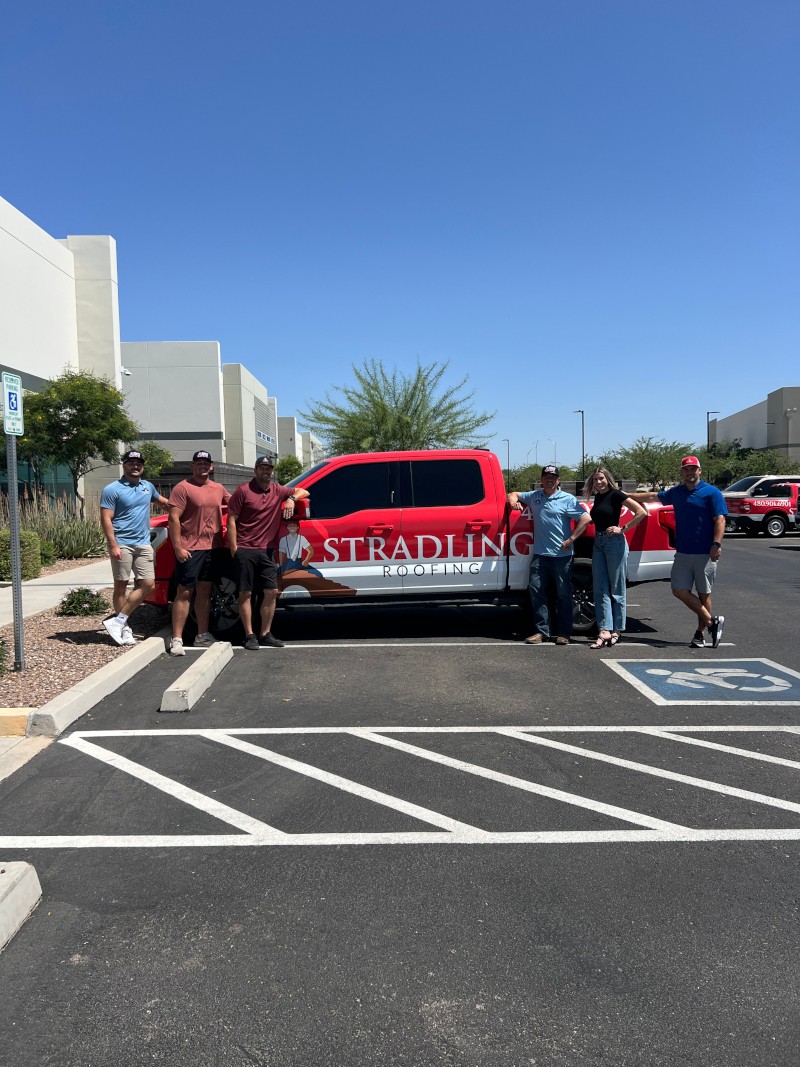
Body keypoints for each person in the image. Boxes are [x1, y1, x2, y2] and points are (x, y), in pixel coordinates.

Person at [629, 456, 727, 648]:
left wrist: (716, 544)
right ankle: (711, 622)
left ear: (700, 470)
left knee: (703, 594)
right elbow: (652, 497)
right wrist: (625, 495)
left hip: (705, 553)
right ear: (682, 473)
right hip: (682, 552)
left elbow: (720, 520)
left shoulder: (711, 493)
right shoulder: (677, 492)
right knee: (679, 590)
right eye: (686, 470)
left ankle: (700, 634)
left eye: (693, 469)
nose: (690, 473)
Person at [226, 457, 310, 649]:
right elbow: (231, 520)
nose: (266, 471)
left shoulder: (278, 490)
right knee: (245, 593)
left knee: (271, 591)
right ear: (255, 470)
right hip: (245, 548)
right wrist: (234, 549)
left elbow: (304, 490)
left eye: (269, 468)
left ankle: (265, 633)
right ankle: (249, 635)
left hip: (267, 550)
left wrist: (290, 499)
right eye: (262, 468)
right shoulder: (243, 491)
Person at [507, 464, 591, 645]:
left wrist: (571, 539)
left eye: (553, 477)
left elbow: (585, 518)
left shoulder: (567, 499)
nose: (549, 479)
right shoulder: (535, 496)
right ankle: (541, 632)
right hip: (540, 555)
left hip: (562, 556)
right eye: (546, 477)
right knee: (536, 592)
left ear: (558, 480)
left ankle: (564, 633)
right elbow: (513, 493)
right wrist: (513, 502)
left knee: (563, 595)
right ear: (541, 480)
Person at [99, 450, 170, 646]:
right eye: (131, 463)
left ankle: (118, 621)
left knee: (148, 584)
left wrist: (186, 509)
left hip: (143, 543)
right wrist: (113, 544)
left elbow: (163, 503)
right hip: (122, 543)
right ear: (124, 465)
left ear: (143, 466)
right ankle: (124, 627)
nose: (135, 466)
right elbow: (106, 518)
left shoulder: (147, 487)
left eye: (138, 463)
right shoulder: (112, 489)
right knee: (121, 586)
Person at [167, 450, 230, 656]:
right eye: (199, 463)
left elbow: (239, 504)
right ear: (192, 466)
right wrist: (178, 547)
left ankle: (202, 635)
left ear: (211, 466)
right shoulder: (182, 488)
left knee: (205, 592)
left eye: (206, 463)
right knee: (184, 592)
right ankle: (177, 639)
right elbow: (173, 519)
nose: (203, 466)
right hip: (190, 548)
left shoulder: (218, 488)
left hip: (213, 548)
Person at [583, 467, 647, 648]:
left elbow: (641, 512)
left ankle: (616, 630)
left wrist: (623, 528)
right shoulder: (598, 497)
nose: (598, 482)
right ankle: (604, 629)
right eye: (595, 480)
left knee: (616, 589)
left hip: (614, 543)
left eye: (601, 478)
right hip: (599, 542)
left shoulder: (616, 494)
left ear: (608, 479)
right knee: (600, 588)